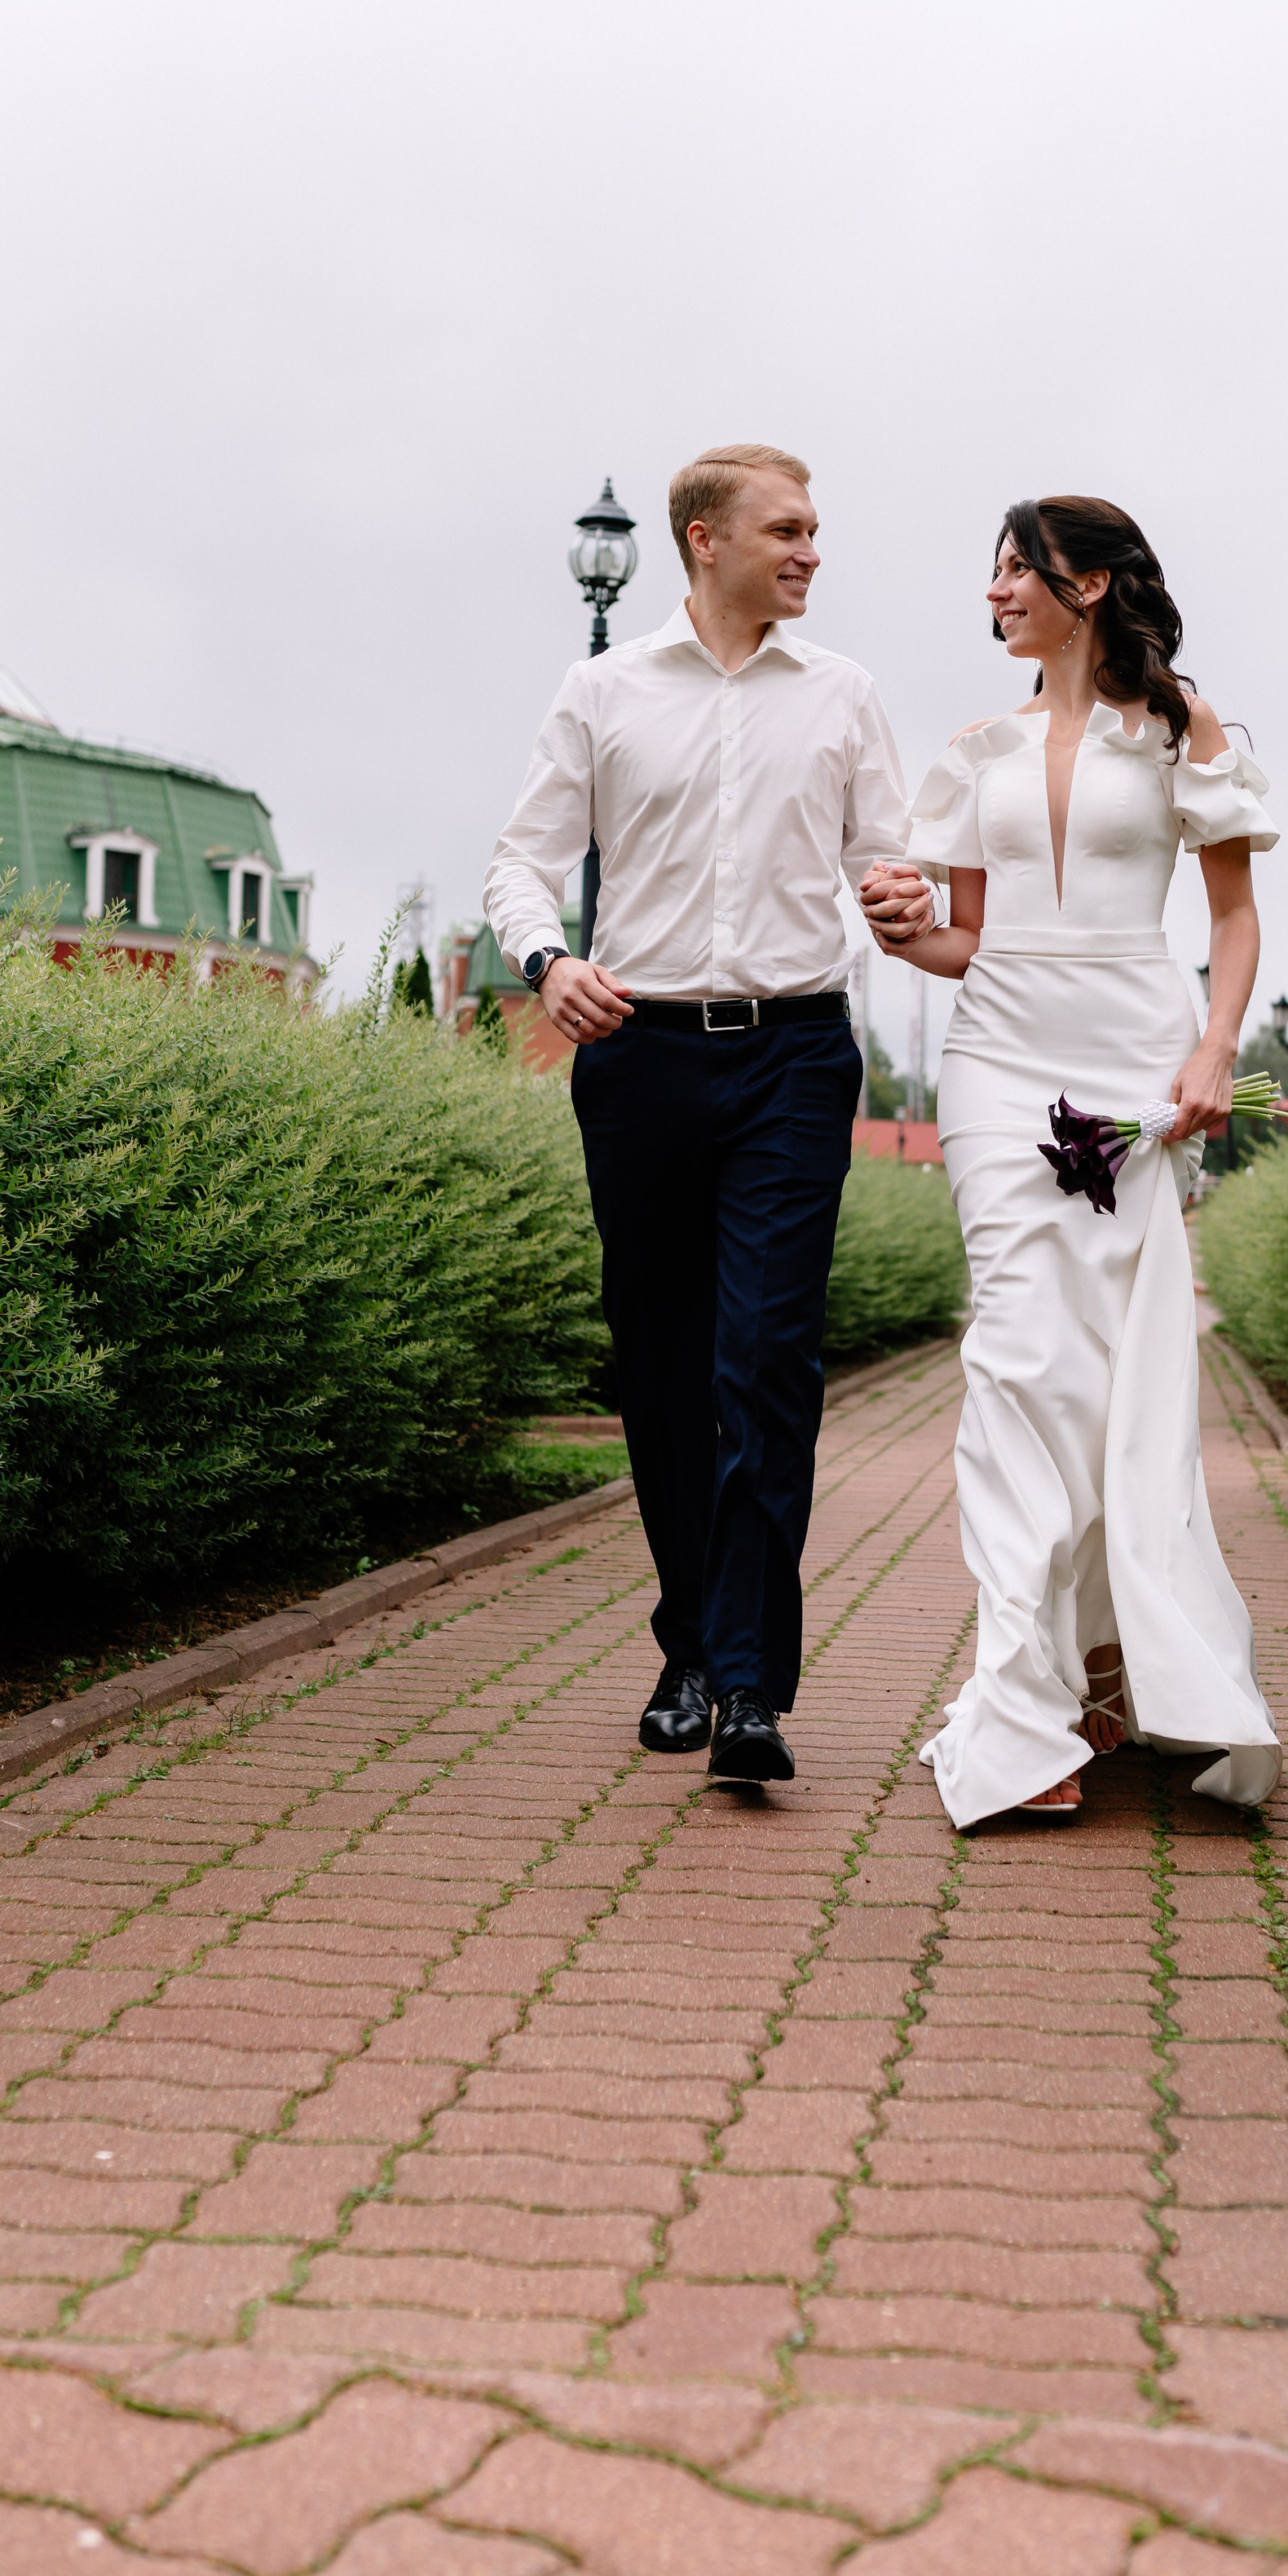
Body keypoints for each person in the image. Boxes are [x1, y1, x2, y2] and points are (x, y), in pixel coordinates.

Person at [484, 444, 933, 1786]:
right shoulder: (603, 691)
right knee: (667, 1366)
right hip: (639, 1054)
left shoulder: (844, 695)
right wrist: (547, 962)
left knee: (768, 1363)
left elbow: (885, 864)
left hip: (795, 1054)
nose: (809, 552)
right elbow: (522, 856)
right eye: (787, 530)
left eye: (814, 532)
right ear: (702, 540)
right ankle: (688, 1638)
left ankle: (746, 1684)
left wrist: (904, 904)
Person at [861, 494, 1281, 1825]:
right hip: (996, 1066)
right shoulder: (972, 752)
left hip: (1133, 1064)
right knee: (1020, 1356)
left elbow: (1234, 916)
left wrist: (1215, 1050)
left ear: (1088, 584)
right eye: (990, 574)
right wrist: (899, 927)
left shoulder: (1180, 730)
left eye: (1016, 571)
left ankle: (1109, 1665)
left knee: (1107, 1380)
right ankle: (1024, 1706)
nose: (994, 593)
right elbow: (964, 939)